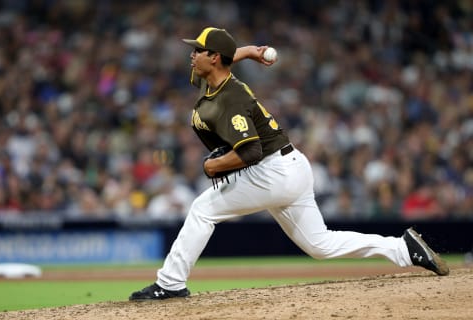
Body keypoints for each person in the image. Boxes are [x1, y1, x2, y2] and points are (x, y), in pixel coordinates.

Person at [129, 27, 449, 301]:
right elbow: (223, 62)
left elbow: (251, 152)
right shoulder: (210, 80)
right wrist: (247, 52)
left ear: (213, 57)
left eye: (198, 50)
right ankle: (403, 249)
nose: (192, 54)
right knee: (319, 245)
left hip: (271, 170)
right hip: (289, 166)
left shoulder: (231, 99)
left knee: (202, 209)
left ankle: (169, 283)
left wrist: (214, 167)